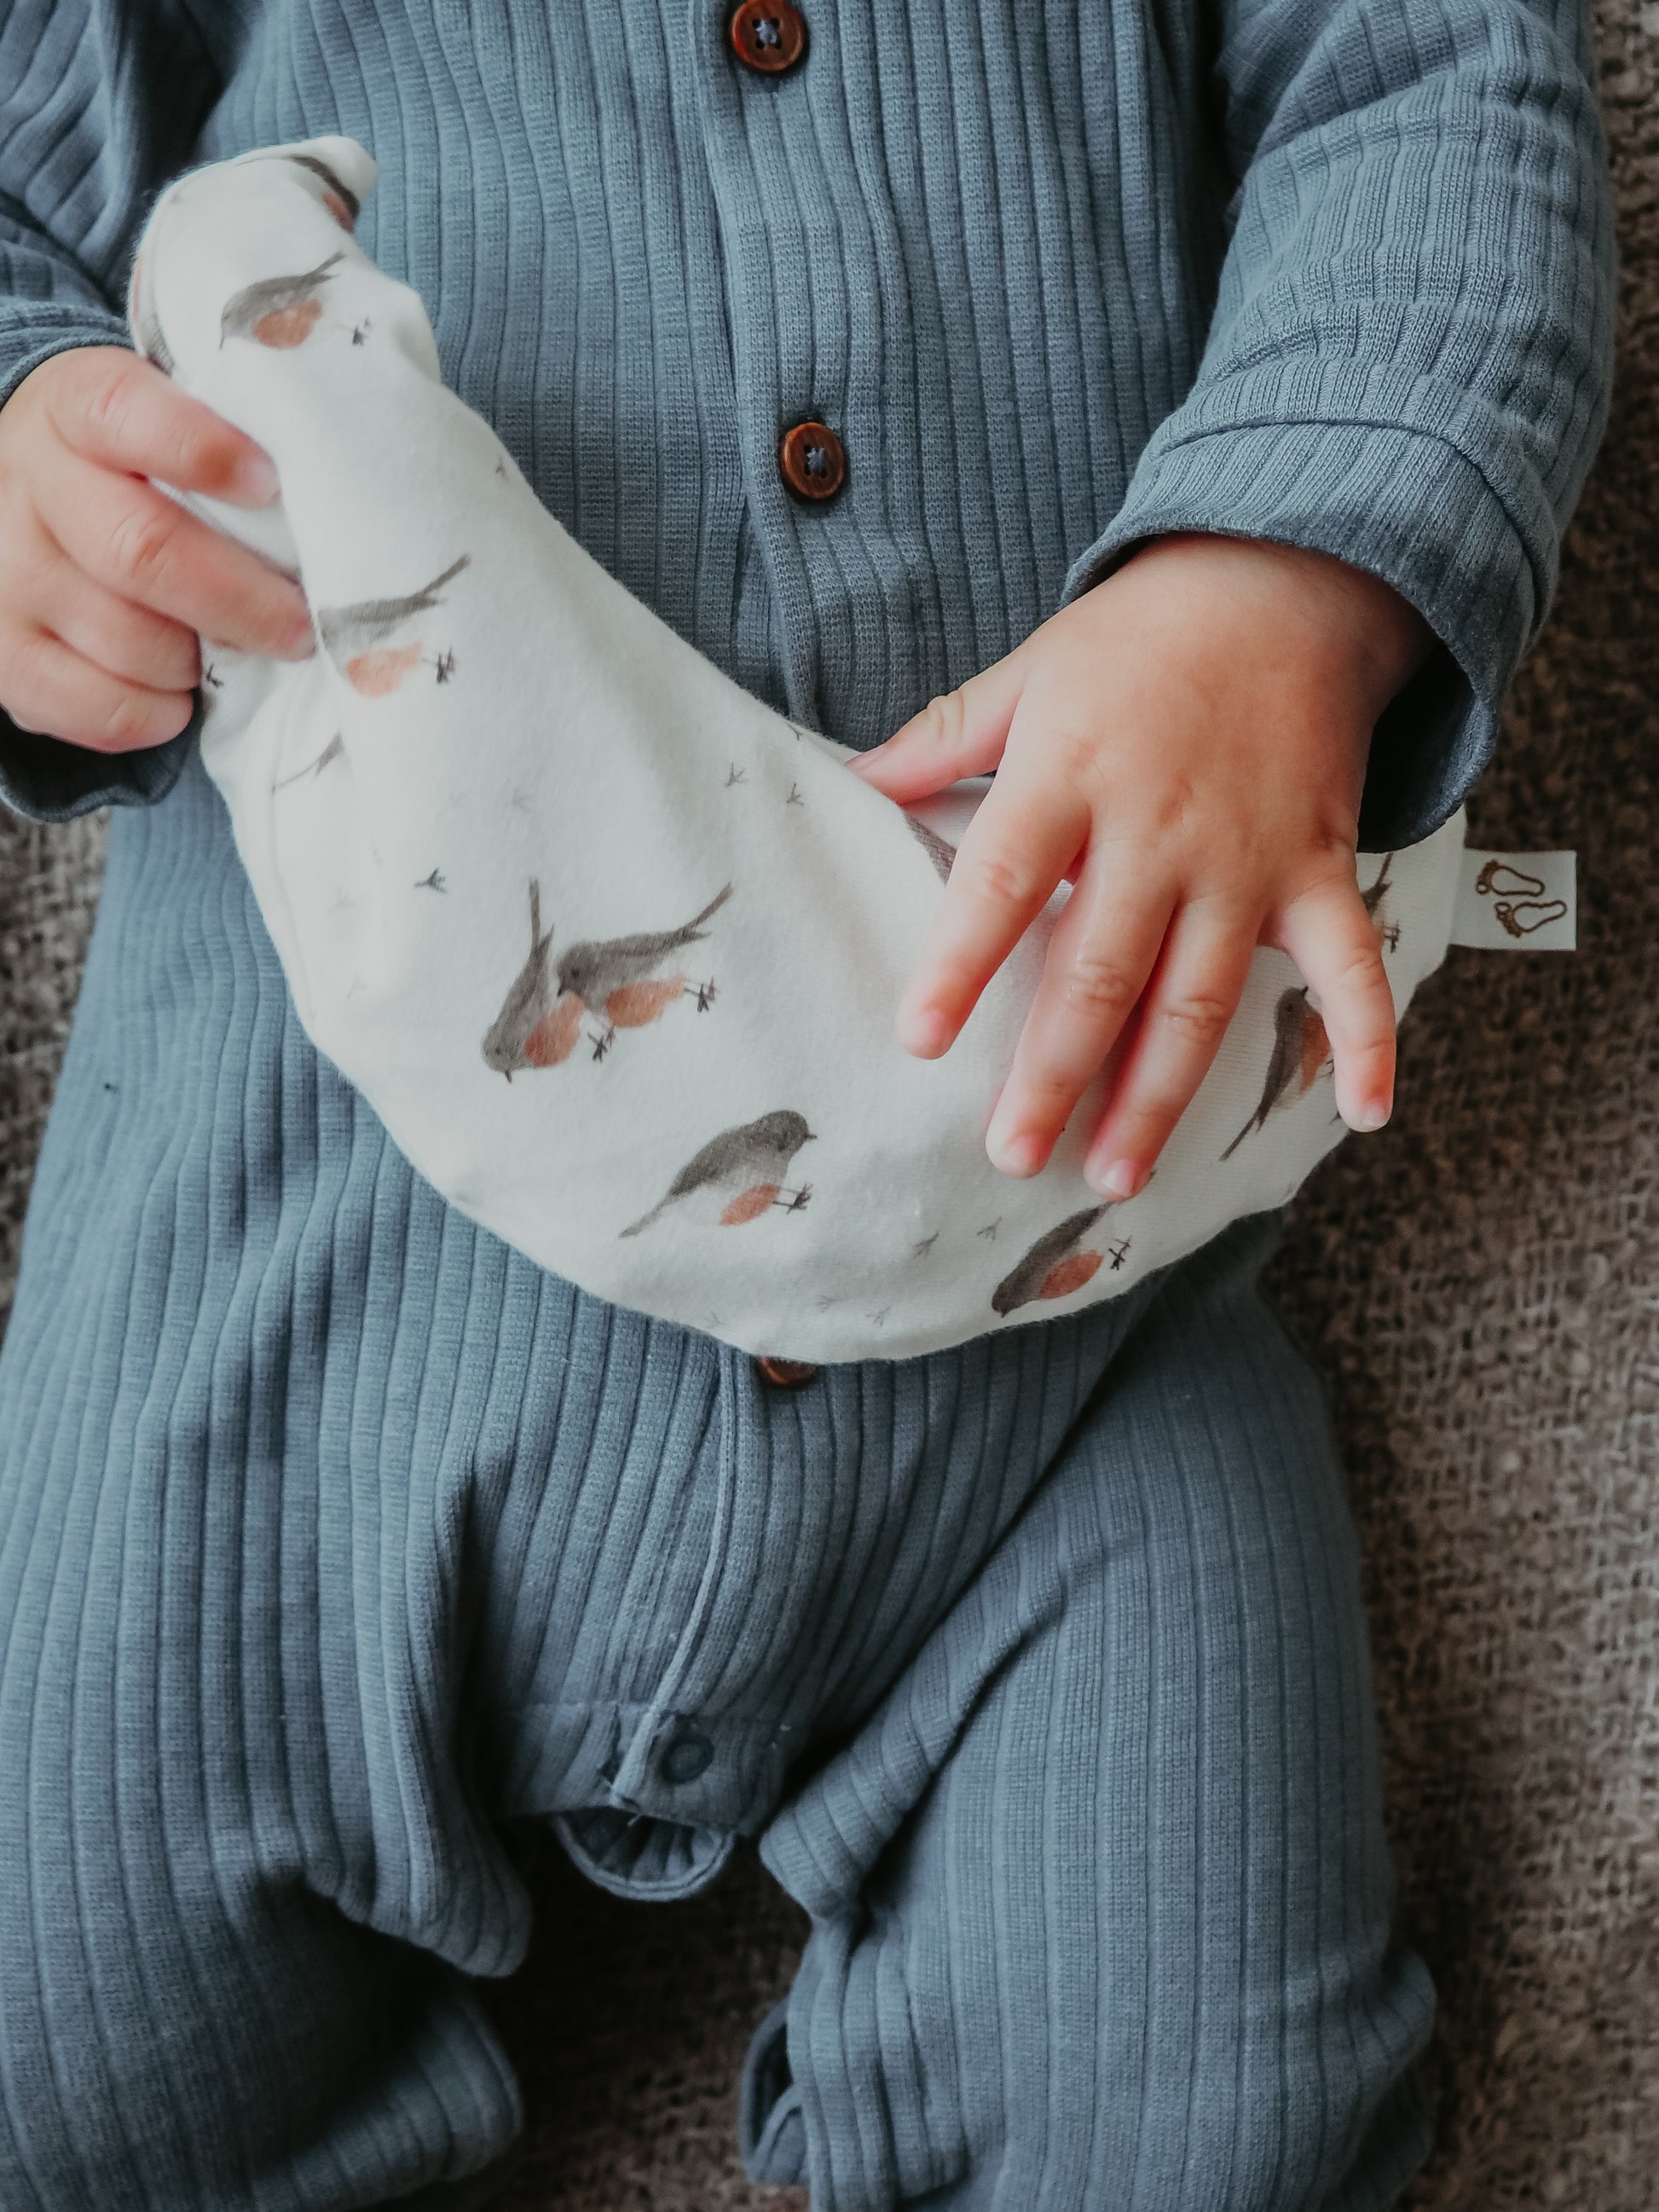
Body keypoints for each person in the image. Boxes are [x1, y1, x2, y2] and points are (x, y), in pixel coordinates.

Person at [0, 4, 1614, 2209]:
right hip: (294, 1243)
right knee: (51, 2067)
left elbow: (1426, 82)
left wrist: (1285, 574)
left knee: (1211, 2126)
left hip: (1054, 1254)